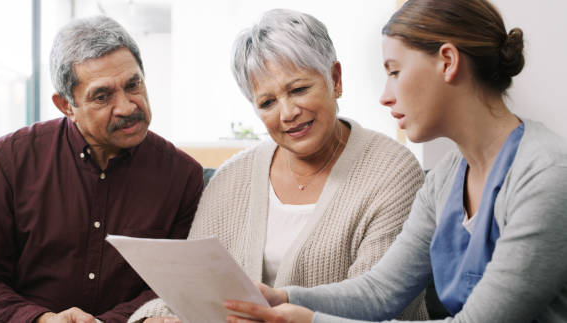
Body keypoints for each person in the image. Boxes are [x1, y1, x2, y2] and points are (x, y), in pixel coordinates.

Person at [223, 0, 567, 322]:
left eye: (395, 72)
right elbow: (380, 291)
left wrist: (312, 320)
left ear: (447, 61)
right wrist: (282, 298)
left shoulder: (546, 176)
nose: (385, 97)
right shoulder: (445, 180)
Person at [129, 9, 427, 323]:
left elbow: (382, 305)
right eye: (267, 103)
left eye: (299, 90)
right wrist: (155, 319)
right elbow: (190, 290)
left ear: (335, 79)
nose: (287, 113)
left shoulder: (392, 171)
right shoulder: (232, 177)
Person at [0, 16, 204, 323]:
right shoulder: (10, 159)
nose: (127, 107)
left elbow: (173, 284)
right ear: (66, 106)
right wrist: (41, 319)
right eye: (102, 96)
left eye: (133, 84)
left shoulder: (182, 176)